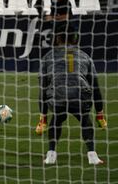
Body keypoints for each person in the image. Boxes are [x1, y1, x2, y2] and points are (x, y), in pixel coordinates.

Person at [39, 25, 104, 165]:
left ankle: (51, 154)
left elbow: (43, 89)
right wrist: (100, 112)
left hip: (58, 97)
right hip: (80, 96)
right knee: (85, 119)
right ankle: (92, 155)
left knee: (57, 118)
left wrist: (42, 117)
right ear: (76, 38)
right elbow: (96, 87)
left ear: (57, 38)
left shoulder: (48, 57)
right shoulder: (85, 56)